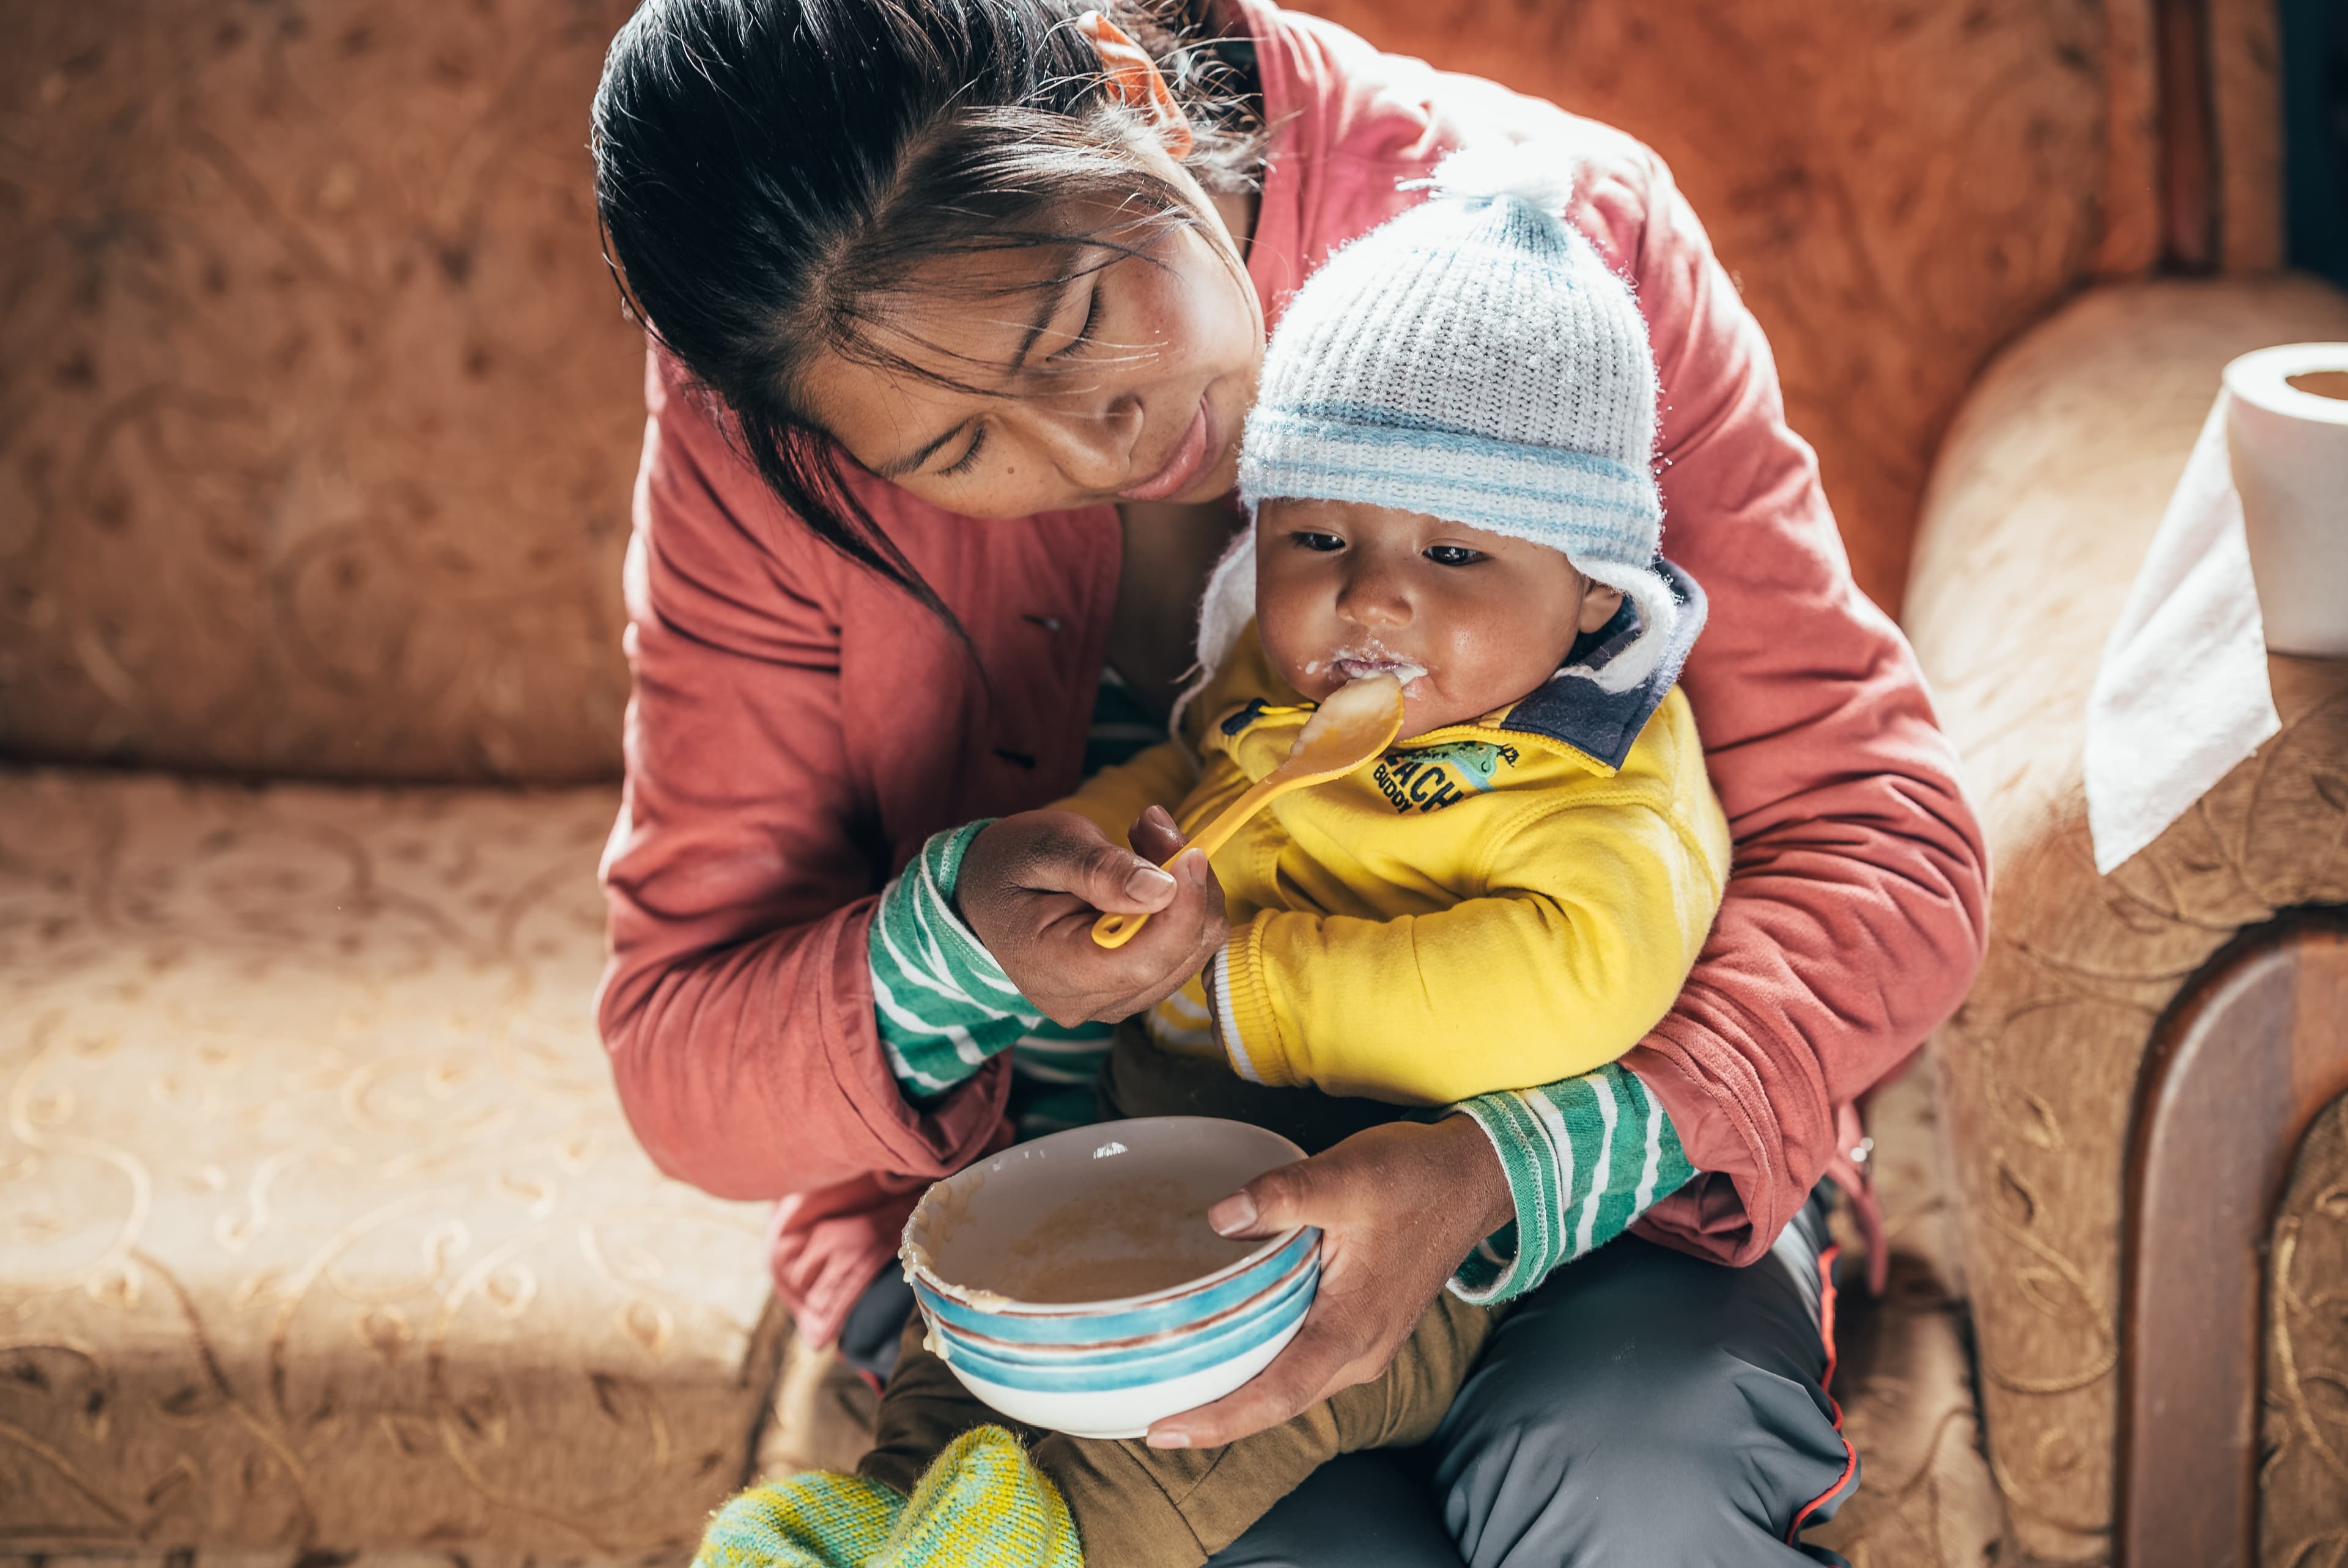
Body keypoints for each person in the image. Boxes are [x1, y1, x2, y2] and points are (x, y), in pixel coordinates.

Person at [589, 0, 1989, 1559]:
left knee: (1633, 1477)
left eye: (1069, 331)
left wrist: (1502, 1163)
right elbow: (680, 1055)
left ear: (1130, 90)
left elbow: (1889, 844)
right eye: (956, 449)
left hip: (1608, 1192)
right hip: (1110, 1228)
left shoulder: (1555, 257)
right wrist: (959, 953)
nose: (1087, 444)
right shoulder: (769, 416)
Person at [690, 147, 1738, 1568]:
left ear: (1591, 588)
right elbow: (1196, 783)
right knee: (985, 1343)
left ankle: (1034, 1547)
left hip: (1398, 1212)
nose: (1372, 591)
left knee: (1213, 1419)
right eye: (1319, 534)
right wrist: (1111, 860)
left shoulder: (1608, 769)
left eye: (1454, 553)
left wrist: (1236, 986)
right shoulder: (1284, 684)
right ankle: (869, 1515)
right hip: (1165, 1144)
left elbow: (1573, 988)